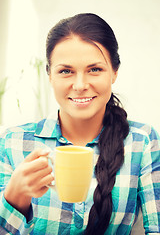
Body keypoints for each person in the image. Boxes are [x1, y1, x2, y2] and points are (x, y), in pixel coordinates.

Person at [0, 13, 160, 235]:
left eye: (94, 69)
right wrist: (14, 197)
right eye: (66, 71)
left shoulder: (142, 142)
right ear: (50, 75)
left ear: (114, 72)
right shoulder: (12, 142)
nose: (80, 84)